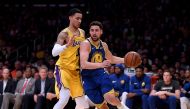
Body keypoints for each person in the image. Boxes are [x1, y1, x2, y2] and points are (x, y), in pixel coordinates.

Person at [80, 21, 129, 109]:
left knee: (110, 98)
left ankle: (121, 106)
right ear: (89, 31)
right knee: (103, 107)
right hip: (87, 78)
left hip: (100, 75)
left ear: (101, 31)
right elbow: (83, 64)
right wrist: (101, 64)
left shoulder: (104, 45)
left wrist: (126, 60)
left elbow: (112, 59)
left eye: (96, 30)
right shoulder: (85, 44)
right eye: (92, 30)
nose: (94, 33)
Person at [52, 8, 88, 109]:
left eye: (81, 19)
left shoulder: (82, 33)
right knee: (64, 99)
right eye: (77, 18)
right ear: (70, 18)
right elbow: (54, 52)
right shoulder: (64, 33)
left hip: (75, 71)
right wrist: (66, 46)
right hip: (63, 69)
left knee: (83, 105)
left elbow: (82, 51)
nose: (79, 21)